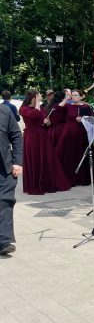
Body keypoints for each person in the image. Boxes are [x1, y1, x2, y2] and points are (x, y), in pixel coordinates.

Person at [18, 90, 71, 195]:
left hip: (43, 135)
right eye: (38, 97)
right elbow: (35, 114)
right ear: (33, 98)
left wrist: (47, 122)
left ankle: (46, 183)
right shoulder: (24, 108)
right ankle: (35, 184)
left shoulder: (40, 108)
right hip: (31, 136)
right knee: (35, 158)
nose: (41, 98)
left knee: (47, 158)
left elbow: (46, 121)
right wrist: (38, 103)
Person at [55, 89, 94, 187]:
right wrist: (66, 99)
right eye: (72, 95)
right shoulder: (68, 106)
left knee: (82, 154)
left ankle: (84, 178)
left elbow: (93, 120)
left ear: (81, 96)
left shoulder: (86, 106)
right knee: (69, 156)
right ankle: (70, 178)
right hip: (68, 134)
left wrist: (83, 120)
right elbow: (57, 108)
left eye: (76, 95)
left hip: (82, 134)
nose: (74, 97)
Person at [0, 103, 22, 255]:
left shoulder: (4, 110)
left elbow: (16, 136)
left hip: (4, 167)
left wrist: (17, 162)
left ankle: (4, 241)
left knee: (5, 201)